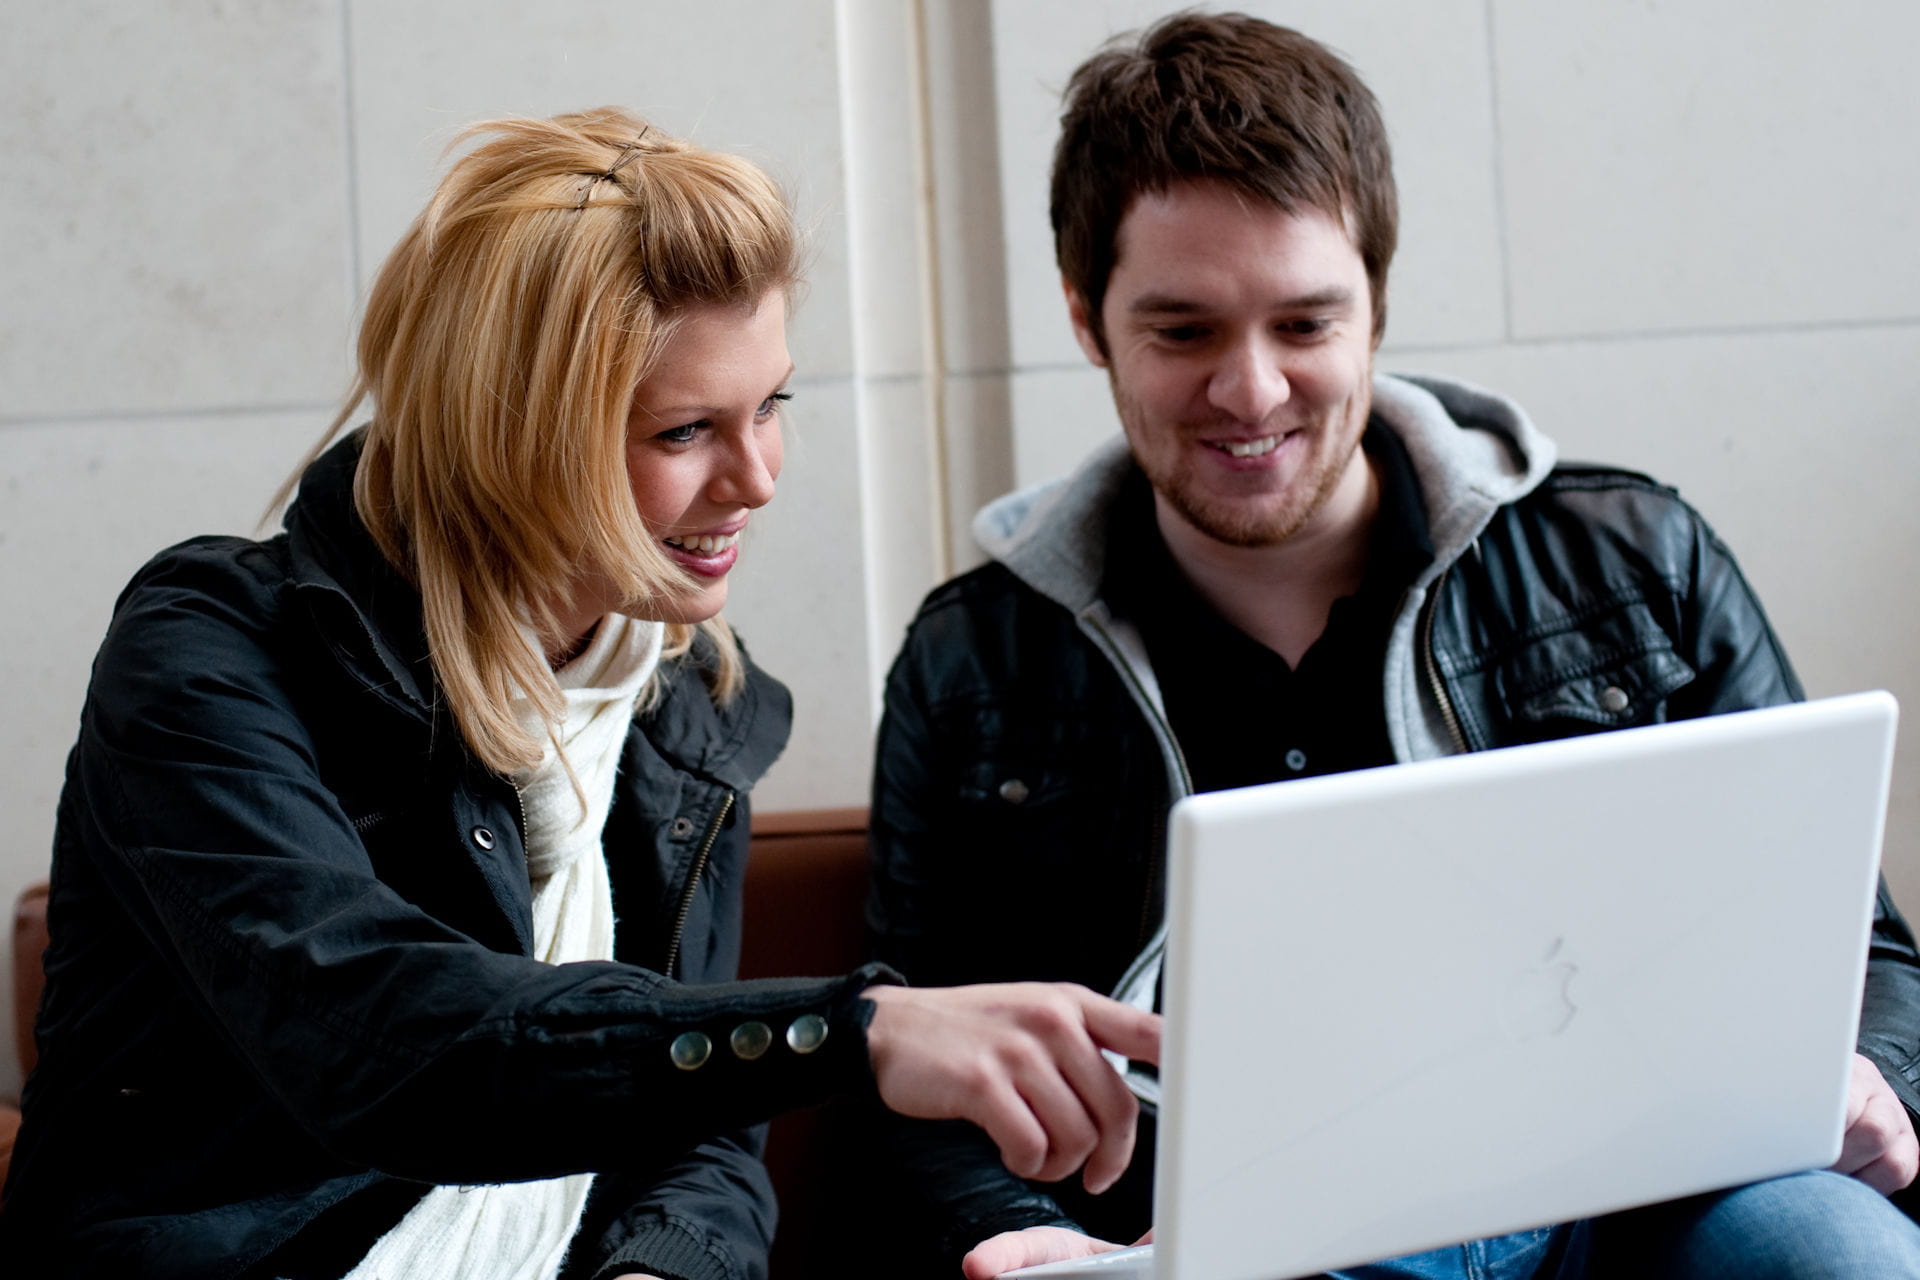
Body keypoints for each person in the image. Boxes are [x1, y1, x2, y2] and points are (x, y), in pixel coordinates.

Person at [0, 108, 1159, 1280]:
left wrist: (654, 1272)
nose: (756, 477)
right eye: (686, 428)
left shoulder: (687, 697)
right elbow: (379, 1034)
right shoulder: (206, 652)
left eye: (772, 406)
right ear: (516, 437)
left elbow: (697, 1147)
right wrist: (848, 1030)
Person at [866, 13, 1920, 1279]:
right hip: (1240, 1239)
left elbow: (1859, 946)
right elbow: (916, 1043)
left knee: (1832, 1253)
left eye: (1305, 324)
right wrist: (1009, 1227)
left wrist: (1875, 1074)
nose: (1251, 392)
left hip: (1656, 1191)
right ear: (1090, 320)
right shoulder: (973, 662)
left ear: (1376, 306)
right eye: (1183, 330)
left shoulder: (1638, 558)